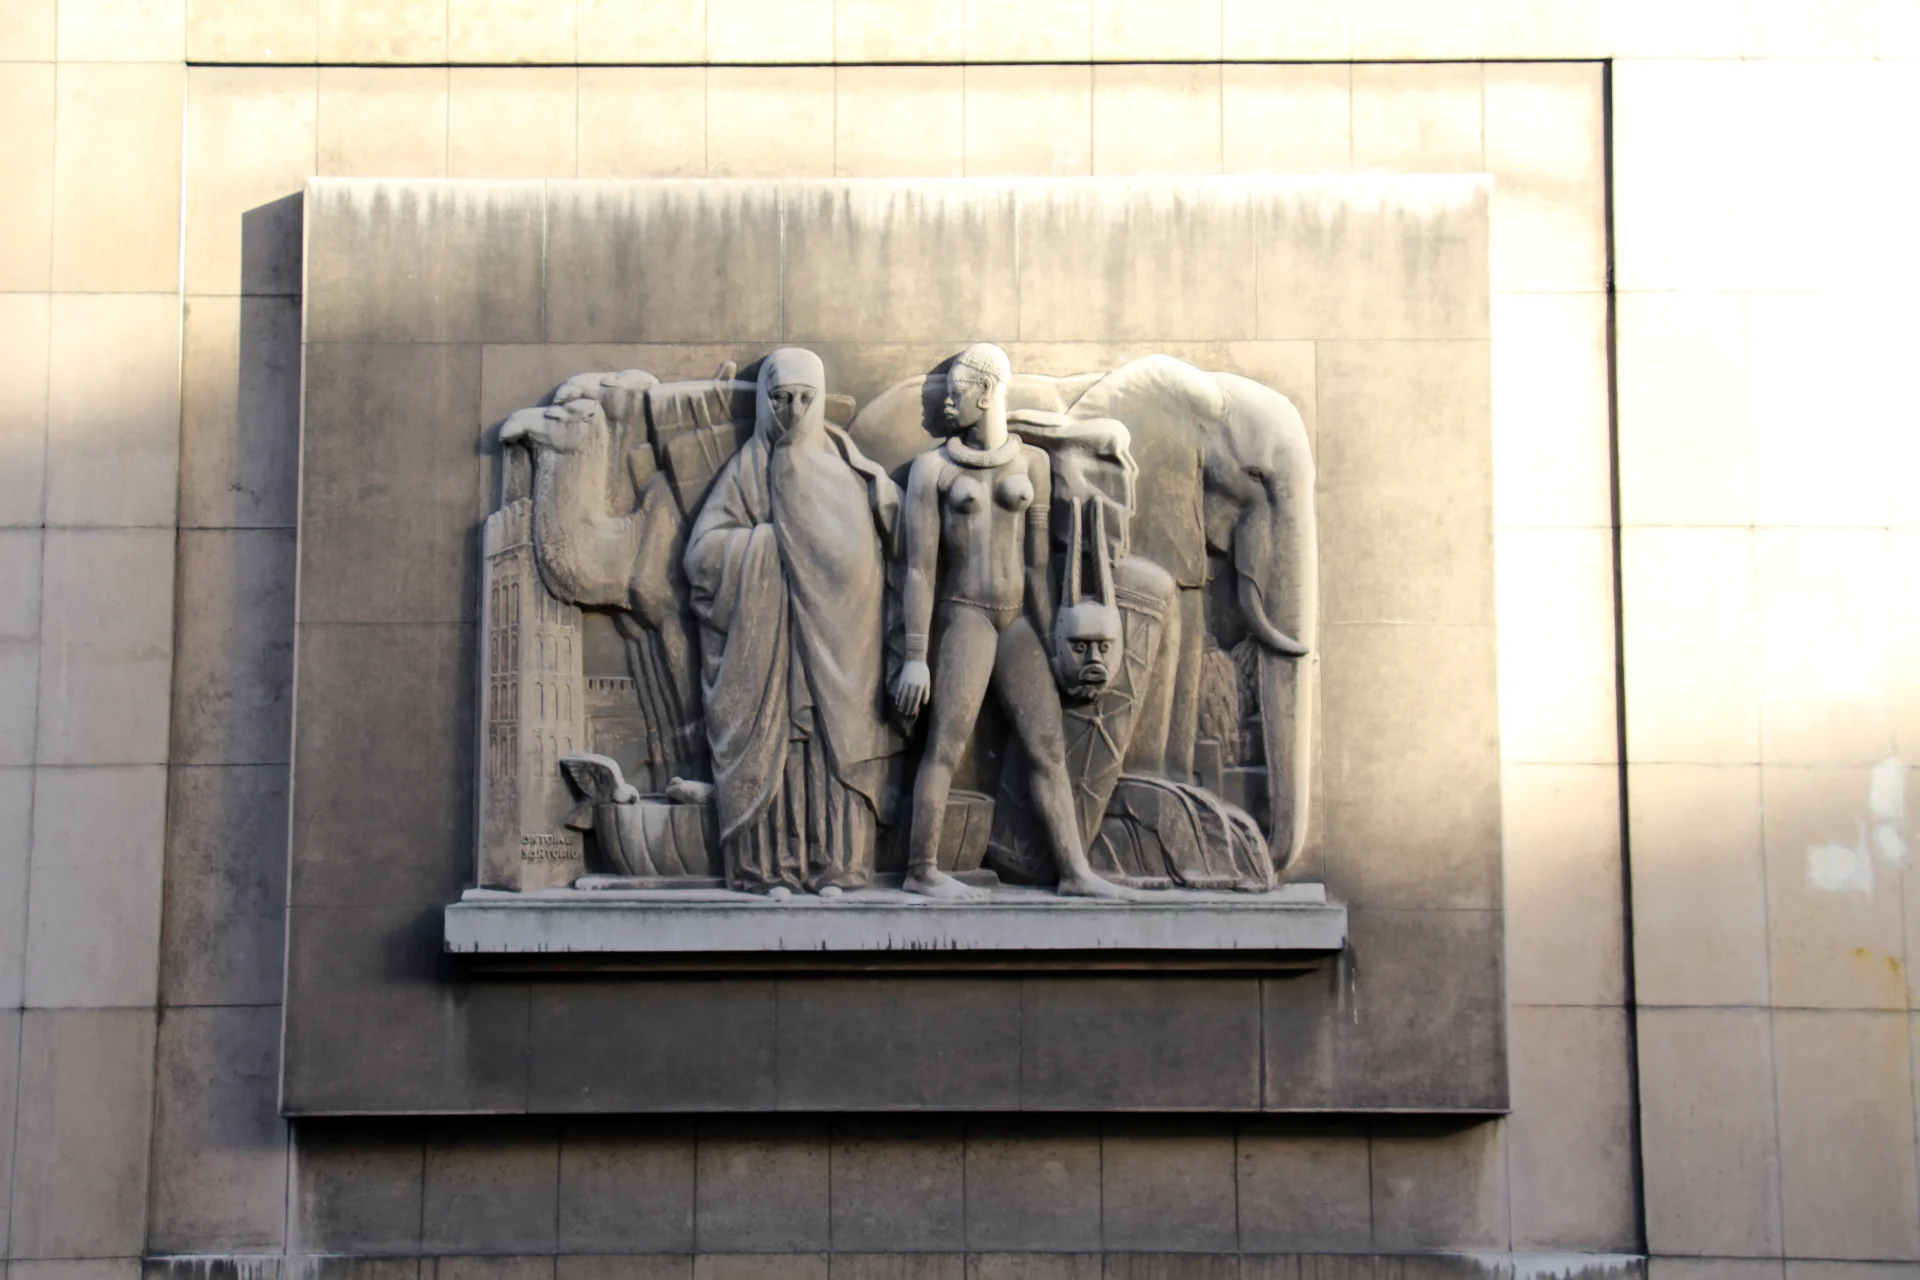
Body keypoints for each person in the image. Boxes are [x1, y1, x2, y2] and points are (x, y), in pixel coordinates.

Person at [892, 344, 1130, 900]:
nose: (947, 406)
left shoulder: (1034, 466)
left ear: (985, 392)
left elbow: (1038, 565)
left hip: (1018, 621)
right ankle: (921, 868)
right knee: (945, 746)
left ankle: (1074, 871)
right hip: (964, 616)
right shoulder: (932, 471)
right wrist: (913, 657)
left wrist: (1053, 646)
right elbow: (919, 571)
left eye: (956, 395)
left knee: (1048, 749)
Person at [683, 348, 901, 896]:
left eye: (806, 398)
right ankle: (768, 869)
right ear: (764, 402)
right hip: (770, 655)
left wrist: (830, 575)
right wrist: (769, 549)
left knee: (829, 752)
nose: (794, 410)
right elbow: (702, 554)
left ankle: (839, 866)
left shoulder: (850, 471)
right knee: (778, 752)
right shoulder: (748, 471)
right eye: (781, 398)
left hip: (841, 651)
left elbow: (876, 556)